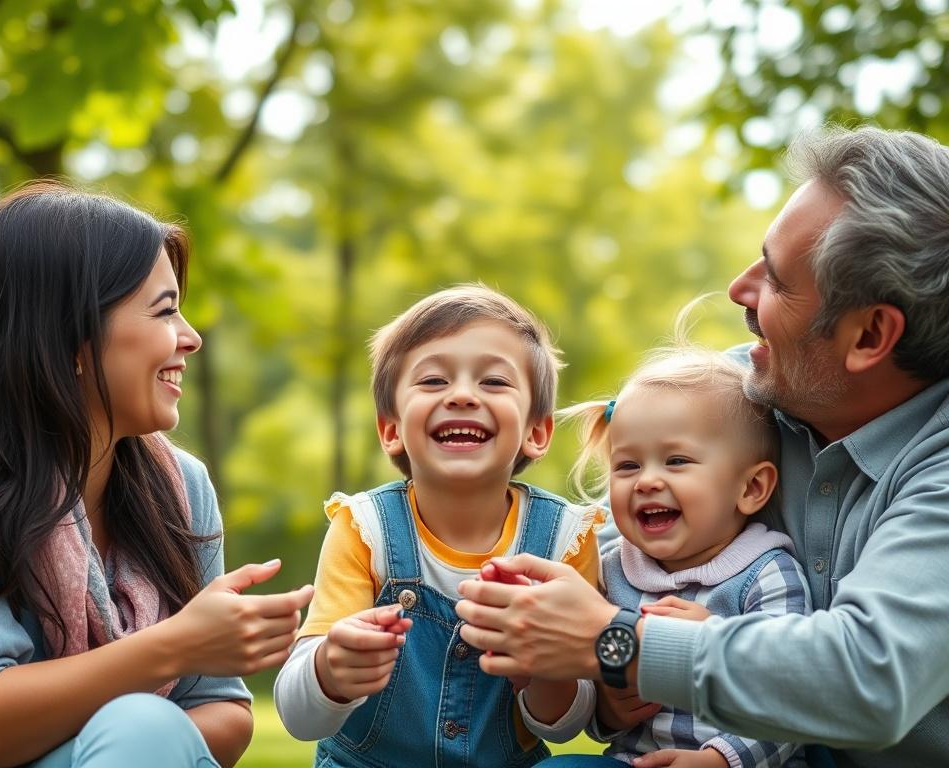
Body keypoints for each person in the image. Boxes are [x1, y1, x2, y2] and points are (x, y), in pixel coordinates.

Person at [455, 125, 949, 768]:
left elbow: (868, 677)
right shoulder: (744, 393)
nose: (739, 291)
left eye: (776, 280)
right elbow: (607, 549)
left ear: (870, 335)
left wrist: (619, 644)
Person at [0, 182, 314, 768]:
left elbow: (223, 710)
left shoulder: (182, 486)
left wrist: (129, 742)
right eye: (165, 311)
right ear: (71, 338)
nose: (191, 337)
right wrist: (174, 647)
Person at [273, 285, 604, 767]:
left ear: (537, 432)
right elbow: (299, 719)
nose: (463, 395)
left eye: (493, 382)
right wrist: (330, 670)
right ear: (391, 429)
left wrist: (544, 671)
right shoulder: (365, 529)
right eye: (432, 381)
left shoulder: (564, 539)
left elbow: (567, 722)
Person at [530, 344, 811, 768]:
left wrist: (720, 760)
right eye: (627, 466)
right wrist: (605, 708)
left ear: (751, 489)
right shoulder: (613, 571)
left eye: (676, 461)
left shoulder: (767, 573)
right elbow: (585, 714)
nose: (646, 482)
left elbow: (793, 698)